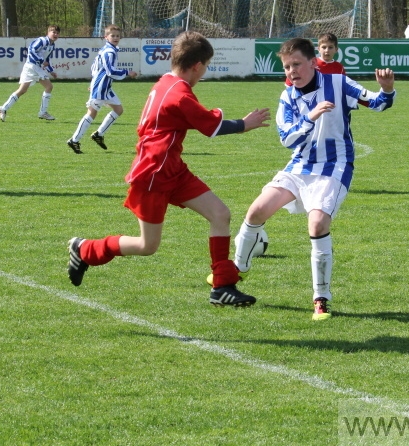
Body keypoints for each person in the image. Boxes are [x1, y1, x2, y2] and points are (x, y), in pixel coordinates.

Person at [66, 31, 270, 308]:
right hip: (153, 172)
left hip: (171, 167)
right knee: (147, 246)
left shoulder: (166, 81)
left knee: (220, 214)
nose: (205, 72)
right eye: (206, 66)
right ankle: (85, 249)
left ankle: (223, 286)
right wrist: (245, 123)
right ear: (197, 65)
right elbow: (212, 127)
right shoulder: (180, 94)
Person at [232, 37, 396, 321]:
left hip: (334, 165)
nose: (291, 71)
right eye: (286, 67)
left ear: (313, 62)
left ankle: (321, 298)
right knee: (256, 210)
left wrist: (387, 89)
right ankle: (235, 272)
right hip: (300, 165)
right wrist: (311, 116)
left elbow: (378, 104)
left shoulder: (338, 83)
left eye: (296, 64)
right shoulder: (288, 96)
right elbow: (287, 138)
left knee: (318, 223)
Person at [67, 24, 138, 153]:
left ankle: (98, 135)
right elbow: (110, 71)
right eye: (113, 35)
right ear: (106, 37)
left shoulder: (107, 50)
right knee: (91, 113)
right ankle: (74, 140)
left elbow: (94, 67)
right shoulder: (109, 52)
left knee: (118, 109)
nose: (116, 38)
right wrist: (127, 72)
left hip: (105, 87)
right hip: (101, 87)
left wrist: (93, 81)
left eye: (118, 36)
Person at [0, 25, 61, 121]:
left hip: (33, 67)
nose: (55, 34)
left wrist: (51, 71)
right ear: (48, 33)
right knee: (48, 87)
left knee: (22, 90)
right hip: (32, 66)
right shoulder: (42, 41)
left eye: (57, 33)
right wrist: (41, 61)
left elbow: (47, 59)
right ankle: (43, 112)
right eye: (53, 32)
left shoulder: (52, 45)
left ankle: (3, 108)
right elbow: (31, 50)